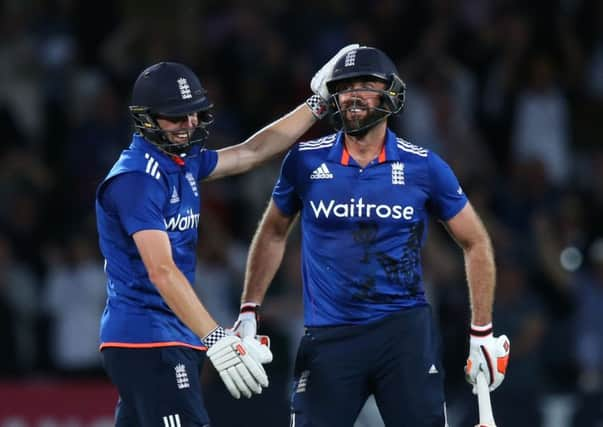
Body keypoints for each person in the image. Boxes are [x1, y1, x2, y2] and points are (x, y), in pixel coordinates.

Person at [232, 46, 511, 427]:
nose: (354, 94)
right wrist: (249, 309)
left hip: (404, 334)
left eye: (366, 84)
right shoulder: (304, 161)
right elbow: (273, 232)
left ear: (391, 94)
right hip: (329, 336)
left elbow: (476, 241)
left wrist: (482, 331)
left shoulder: (424, 166)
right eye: (345, 86)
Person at [95, 45, 357, 427]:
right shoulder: (136, 179)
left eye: (193, 113)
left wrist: (317, 104)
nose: (188, 124)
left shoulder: (179, 162)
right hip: (147, 337)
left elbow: (251, 152)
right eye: (175, 117)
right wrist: (216, 337)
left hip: (159, 335)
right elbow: (162, 271)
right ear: (146, 119)